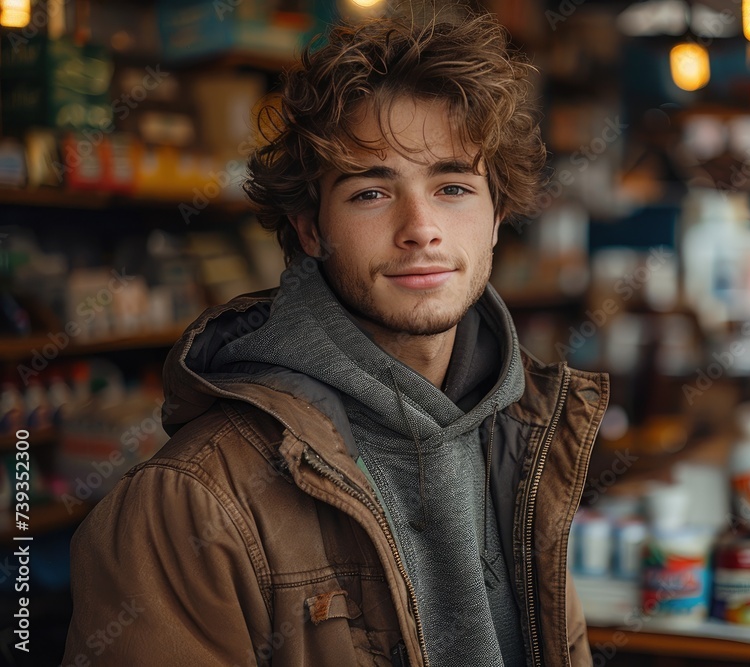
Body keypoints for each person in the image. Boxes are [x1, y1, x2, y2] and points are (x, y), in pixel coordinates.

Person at [63, 6, 608, 667]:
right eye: (371, 194)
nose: (422, 228)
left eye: (453, 186)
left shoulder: (526, 440)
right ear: (310, 228)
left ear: (497, 217)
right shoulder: (187, 505)